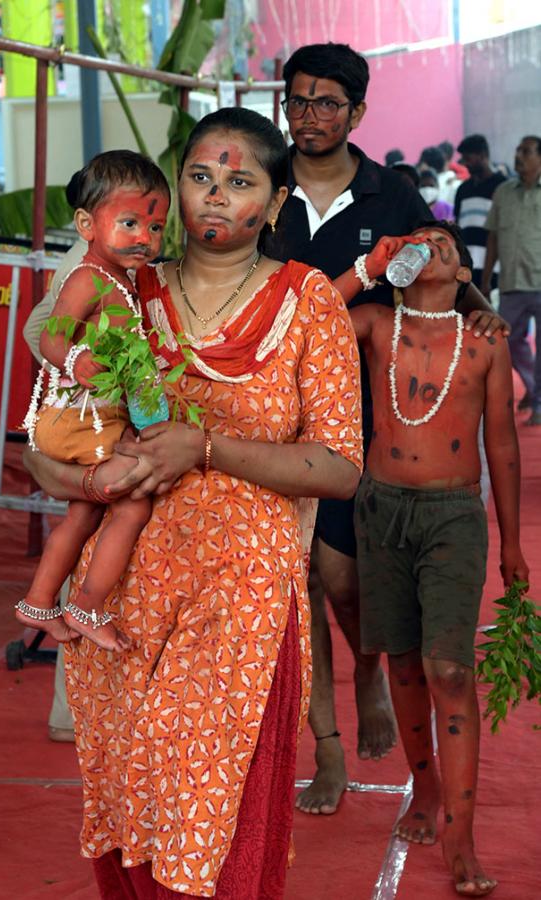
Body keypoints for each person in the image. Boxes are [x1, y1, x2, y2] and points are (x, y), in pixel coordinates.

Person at [23, 107, 363, 899]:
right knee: (131, 806)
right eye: (200, 178)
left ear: (275, 203)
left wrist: (202, 448)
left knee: (210, 818)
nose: (215, 197)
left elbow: (340, 467)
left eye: (240, 182)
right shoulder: (117, 286)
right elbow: (43, 445)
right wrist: (89, 482)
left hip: (239, 603)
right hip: (121, 600)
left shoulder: (307, 301)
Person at [263, 40, 508, 817]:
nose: (308, 116)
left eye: (326, 103)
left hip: (361, 429)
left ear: (356, 113)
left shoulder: (391, 196)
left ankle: (367, 671)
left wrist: (482, 316)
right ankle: (326, 754)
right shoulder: (262, 190)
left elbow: (443, 269)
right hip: (268, 423)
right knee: (293, 592)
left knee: (342, 585)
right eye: (296, 100)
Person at [336, 221, 528, 897]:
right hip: (379, 508)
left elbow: (501, 447)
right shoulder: (373, 325)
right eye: (419, 241)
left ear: (462, 272)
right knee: (403, 659)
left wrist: (510, 541)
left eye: (444, 245)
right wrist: (370, 264)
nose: (430, 246)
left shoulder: (482, 344)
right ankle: (423, 784)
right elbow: (311, 321)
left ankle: (459, 835)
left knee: (449, 666)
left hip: (452, 516)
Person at [17, 150, 171, 651]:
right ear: (86, 224)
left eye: (155, 228)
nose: (144, 239)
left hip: (88, 418)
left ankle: (40, 601)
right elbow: (51, 339)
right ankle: (88, 603)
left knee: (82, 517)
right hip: (75, 422)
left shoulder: (120, 279)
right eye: (129, 223)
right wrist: (76, 359)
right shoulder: (87, 278)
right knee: (132, 504)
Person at [482, 135, 541, 425]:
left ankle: (539, 405)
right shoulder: (503, 193)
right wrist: (484, 280)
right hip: (511, 282)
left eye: (526, 151)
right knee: (508, 342)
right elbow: (492, 238)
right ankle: (533, 388)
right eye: (518, 150)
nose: (519, 156)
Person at [455, 134, 506, 292]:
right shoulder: (463, 189)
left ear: (482, 155)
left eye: (468, 158)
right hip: (467, 268)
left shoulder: (502, 186)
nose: (465, 163)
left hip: (494, 268)